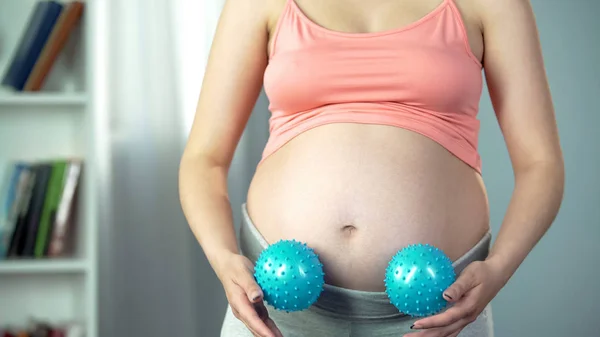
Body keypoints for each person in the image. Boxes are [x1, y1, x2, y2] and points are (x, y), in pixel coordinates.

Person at [178, 0, 564, 336]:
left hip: (441, 307)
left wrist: (497, 270)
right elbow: (203, 159)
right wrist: (223, 257)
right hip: (275, 302)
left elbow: (540, 164)